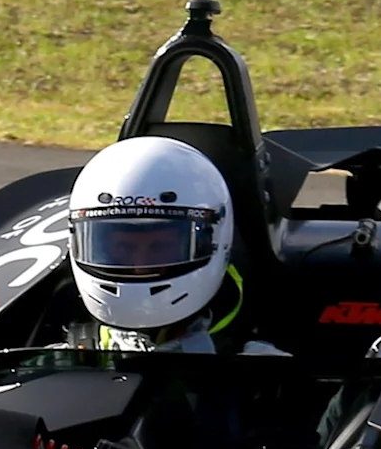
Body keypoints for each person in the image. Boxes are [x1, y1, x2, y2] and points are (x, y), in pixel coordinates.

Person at [63, 136, 269, 354]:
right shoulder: (57, 363)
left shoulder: (264, 366)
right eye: (123, 248)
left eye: (159, 247)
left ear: (214, 241)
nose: (140, 266)